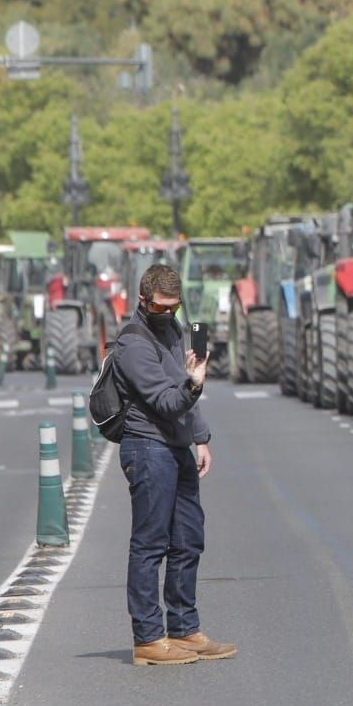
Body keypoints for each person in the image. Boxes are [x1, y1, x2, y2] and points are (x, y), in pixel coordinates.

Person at [114, 263, 233, 667]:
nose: (167, 315)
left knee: (188, 538)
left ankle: (184, 628)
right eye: (160, 308)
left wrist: (200, 437)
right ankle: (148, 637)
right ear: (143, 300)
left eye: (173, 308)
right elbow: (167, 400)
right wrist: (194, 383)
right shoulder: (133, 344)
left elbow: (185, 398)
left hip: (177, 447)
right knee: (150, 543)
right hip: (147, 447)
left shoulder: (174, 331)